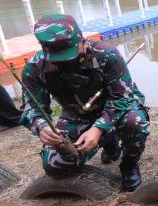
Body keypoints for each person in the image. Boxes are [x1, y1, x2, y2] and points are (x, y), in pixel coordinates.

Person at [20, 14, 149, 191]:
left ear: (81, 39)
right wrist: (40, 125)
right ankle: (108, 139)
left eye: (68, 53)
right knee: (55, 166)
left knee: (134, 121)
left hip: (115, 109)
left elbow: (122, 98)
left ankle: (128, 165)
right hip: (76, 116)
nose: (65, 61)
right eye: (57, 56)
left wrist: (98, 128)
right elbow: (31, 107)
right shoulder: (35, 67)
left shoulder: (107, 55)